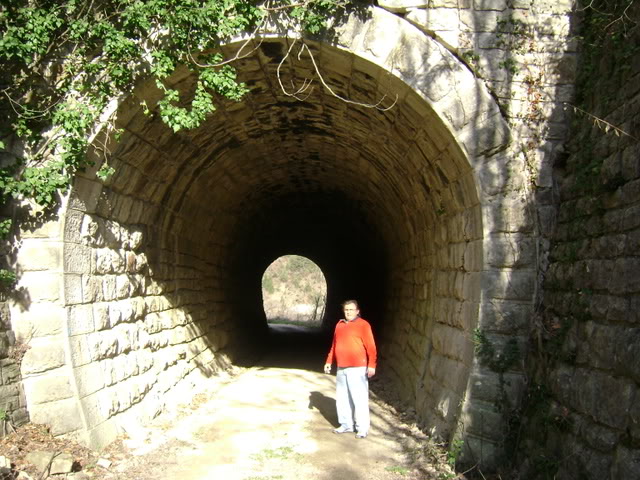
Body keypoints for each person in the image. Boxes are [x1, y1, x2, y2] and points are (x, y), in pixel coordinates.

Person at [324, 299, 377, 439]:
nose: (348, 312)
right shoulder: (339, 325)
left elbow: (371, 347)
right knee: (342, 398)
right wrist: (329, 361)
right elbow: (334, 345)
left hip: (357, 368)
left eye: (351, 310)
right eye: (346, 310)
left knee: (359, 399)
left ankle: (362, 428)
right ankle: (346, 424)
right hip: (341, 367)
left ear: (357, 311)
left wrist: (372, 365)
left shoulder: (363, 325)